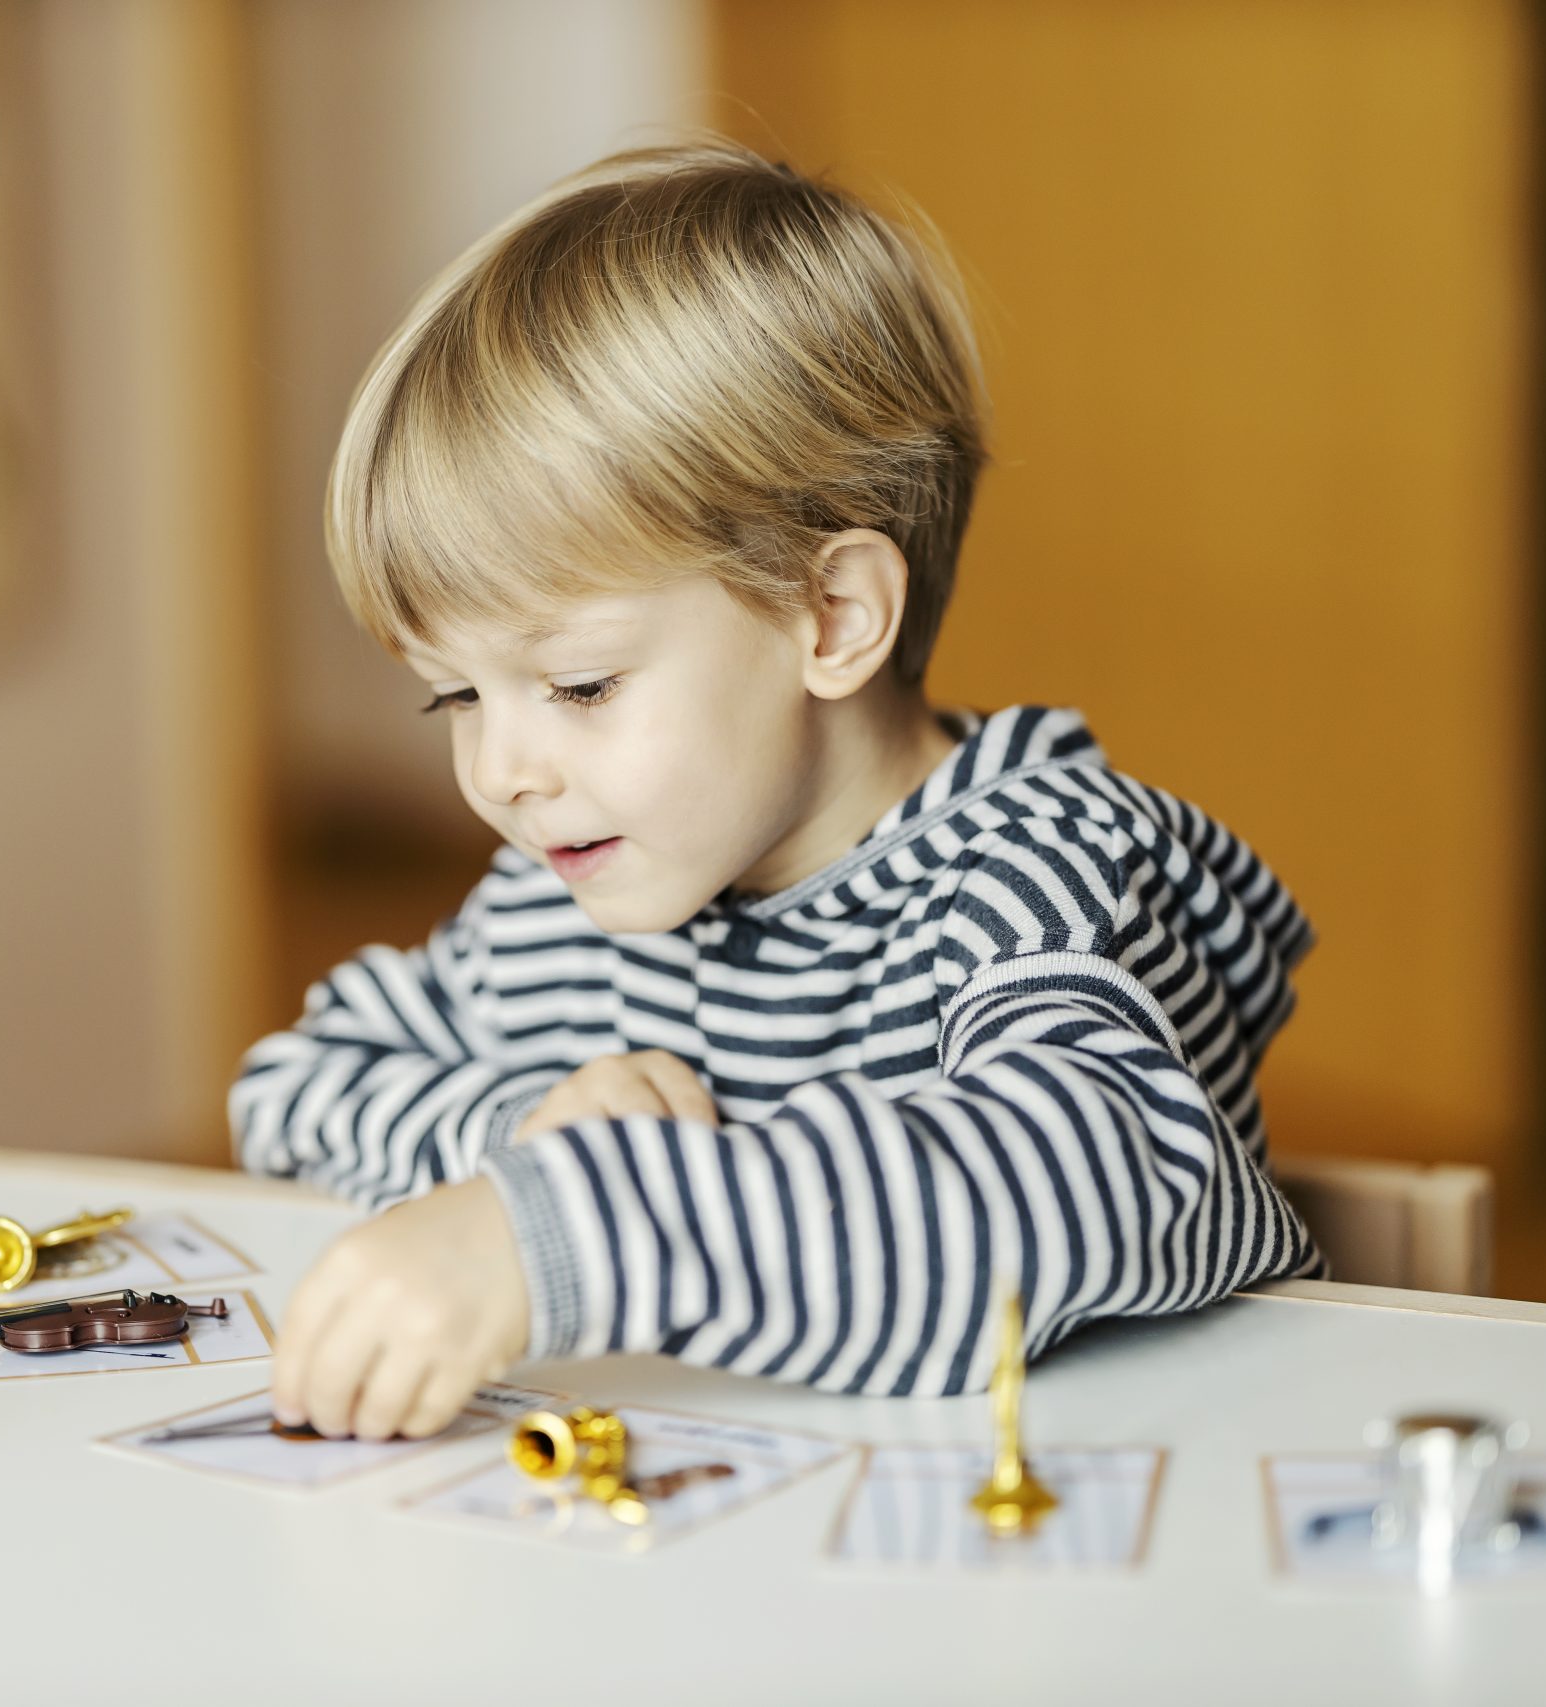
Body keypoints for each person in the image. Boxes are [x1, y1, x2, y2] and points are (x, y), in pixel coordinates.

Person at [230, 136, 1321, 1441]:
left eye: (577, 687)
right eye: (458, 697)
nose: (504, 775)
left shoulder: (1042, 872)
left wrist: (570, 1228)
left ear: (832, 615)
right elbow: (296, 1083)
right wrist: (514, 1127)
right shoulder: (554, 896)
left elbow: (1088, 1182)